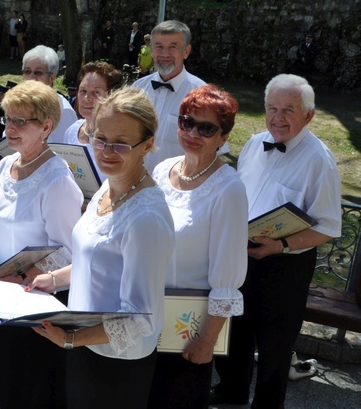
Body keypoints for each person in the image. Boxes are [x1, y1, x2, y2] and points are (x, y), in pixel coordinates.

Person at [29, 86, 175, 408]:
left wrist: (71, 339)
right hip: (86, 343)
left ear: (148, 144)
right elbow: (94, 260)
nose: (107, 150)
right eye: (99, 138)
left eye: (121, 143)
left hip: (115, 361)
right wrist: (55, 280)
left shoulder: (145, 218)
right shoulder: (110, 187)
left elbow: (140, 319)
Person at [213, 74, 341, 408]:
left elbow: (328, 226)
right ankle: (232, 393)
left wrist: (281, 245)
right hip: (242, 255)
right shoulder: (256, 143)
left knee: (275, 346)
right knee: (235, 333)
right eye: (272, 108)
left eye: (288, 110)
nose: (277, 117)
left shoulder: (319, 160)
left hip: (285, 266)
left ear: (308, 115)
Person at [0, 80, 83, 408]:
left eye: (21, 121)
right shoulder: (7, 164)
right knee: (11, 381)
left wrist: (20, 275)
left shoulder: (57, 180)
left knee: (32, 386)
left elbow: (70, 253)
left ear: (46, 126)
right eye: (8, 119)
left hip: (31, 304)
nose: (10, 128)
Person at [148, 85, 248, 409]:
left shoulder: (228, 189)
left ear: (223, 137)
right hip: (148, 311)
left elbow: (227, 276)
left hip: (188, 326)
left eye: (206, 128)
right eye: (186, 122)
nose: (192, 132)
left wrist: (207, 341)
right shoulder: (164, 170)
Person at [132, 20, 228, 171]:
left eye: (173, 47)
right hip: (135, 184)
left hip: (176, 187)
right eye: (159, 47)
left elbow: (212, 153)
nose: (164, 54)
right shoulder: (137, 89)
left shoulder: (204, 96)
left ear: (186, 51)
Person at [63, 61, 123, 183]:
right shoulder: (72, 131)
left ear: (111, 95)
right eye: (83, 91)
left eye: (96, 92)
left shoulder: (118, 138)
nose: (87, 98)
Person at [22, 45, 78, 143]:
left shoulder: (63, 111)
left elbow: (67, 152)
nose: (31, 78)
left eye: (38, 73)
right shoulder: (18, 104)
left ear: (52, 77)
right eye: (27, 71)